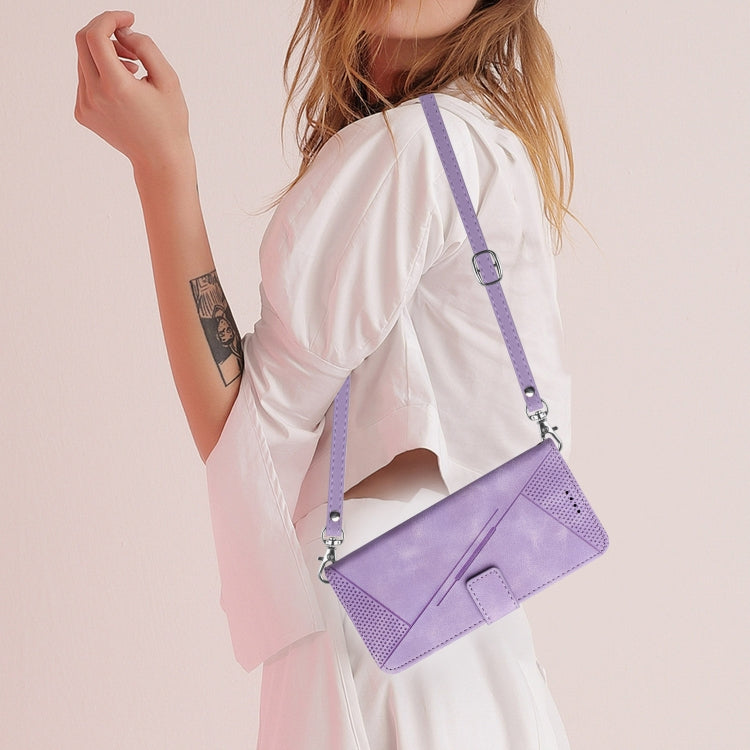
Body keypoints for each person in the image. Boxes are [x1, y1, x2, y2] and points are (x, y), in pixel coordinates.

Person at [75, 3, 580, 747]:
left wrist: (162, 163)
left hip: (380, 627)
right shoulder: (486, 142)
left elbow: (245, 432)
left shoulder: (414, 148)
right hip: (477, 639)